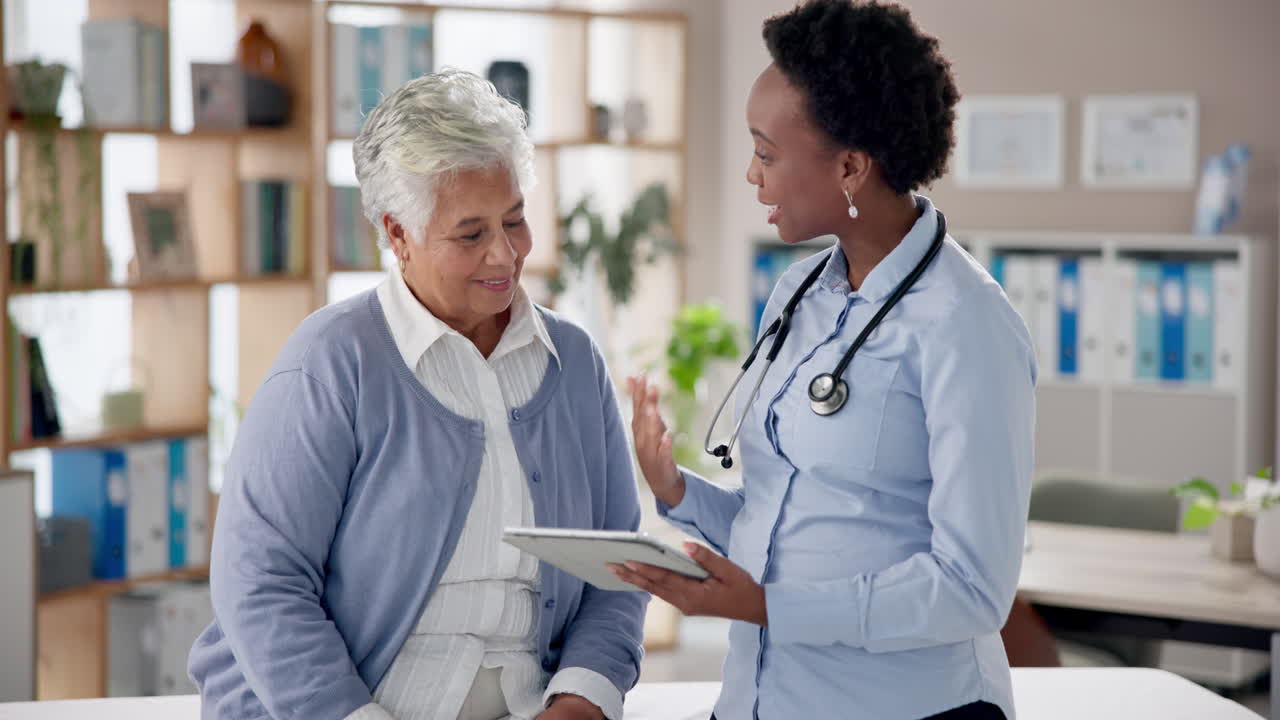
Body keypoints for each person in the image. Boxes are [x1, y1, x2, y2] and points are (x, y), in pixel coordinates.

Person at [613, 2, 1036, 718]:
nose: (752, 176)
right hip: (760, 700)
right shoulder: (798, 292)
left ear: (849, 166)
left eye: (766, 153)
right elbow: (783, 518)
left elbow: (971, 588)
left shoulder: (967, 324)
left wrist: (772, 607)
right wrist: (677, 491)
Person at [189, 68, 647, 720]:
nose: (504, 255)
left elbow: (619, 570)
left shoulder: (573, 363)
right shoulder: (330, 365)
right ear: (397, 234)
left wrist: (580, 702)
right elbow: (261, 587)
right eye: (471, 234)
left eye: (514, 221)